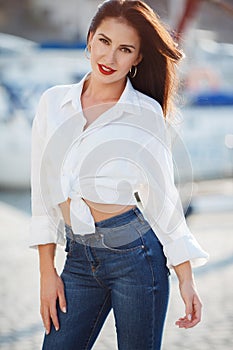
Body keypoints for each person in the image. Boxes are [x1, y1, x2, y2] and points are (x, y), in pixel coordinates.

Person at [29, 1, 209, 349]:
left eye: (125, 49)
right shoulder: (53, 104)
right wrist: (46, 272)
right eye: (104, 42)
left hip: (136, 259)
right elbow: (42, 190)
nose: (110, 58)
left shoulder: (146, 114)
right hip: (78, 259)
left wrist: (186, 278)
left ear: (137, 59)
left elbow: (164, 201)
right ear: (90, 40)